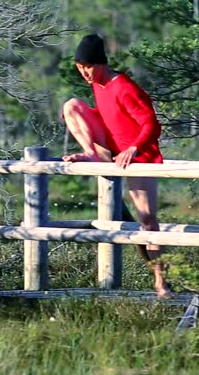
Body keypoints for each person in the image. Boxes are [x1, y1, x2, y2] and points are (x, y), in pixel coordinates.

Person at [61, 33, 172, 298]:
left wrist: (134, 148)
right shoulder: (97, 86)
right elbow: (110, 116)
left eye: (88, 67)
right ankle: (91, 153)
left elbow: (152, 125)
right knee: (72, 105)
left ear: (100, 63)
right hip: (112, 150)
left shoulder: (124, 87)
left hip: (140, 156)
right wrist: (91, 128)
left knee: (147, 220)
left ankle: (162, 281)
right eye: (80, 68)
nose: (85, 73)